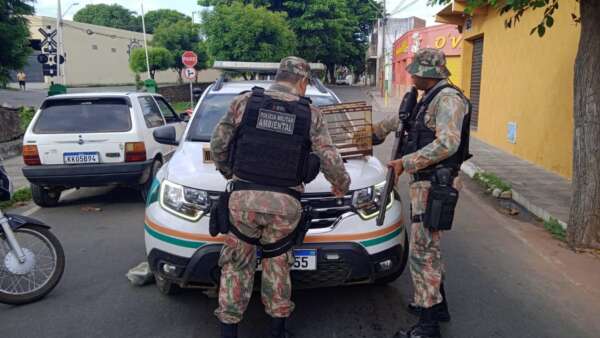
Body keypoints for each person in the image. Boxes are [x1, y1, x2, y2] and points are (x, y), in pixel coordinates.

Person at [210, 56, 351, 338]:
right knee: (278, 266)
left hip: (243, 201)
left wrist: (229, 173)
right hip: (285, 205)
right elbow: (329, 157)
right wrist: (341, 184)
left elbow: (218, 144)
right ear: (302, 82)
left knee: (236, 266)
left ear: (278, 76)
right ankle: (278, 331)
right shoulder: (310, 113)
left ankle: (228, 332)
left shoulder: (244, 102)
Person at [371, 48, 471, 338]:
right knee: (429, 250)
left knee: (422, 253)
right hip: (424, 184)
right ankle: (438, 307)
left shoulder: (449, 100)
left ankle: (428, 327)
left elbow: (448, 144)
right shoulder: (426, 97)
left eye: (415, 70)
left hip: (435, 185)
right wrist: (371, 132)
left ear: (429, 73)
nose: (410, 74)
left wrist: (406, 162)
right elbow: (404, 122)